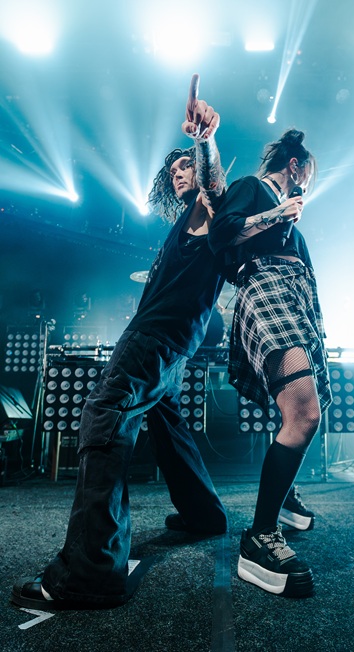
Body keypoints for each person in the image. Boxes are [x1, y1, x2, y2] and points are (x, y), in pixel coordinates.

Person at [11, 74, 228, 610]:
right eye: (174, 170)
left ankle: (89, 574)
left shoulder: (207, 211)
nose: (179, 173)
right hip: (173, 348)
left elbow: (213, 188)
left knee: (103, 416)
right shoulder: (184, 226)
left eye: (186, 167)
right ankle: (204, 515)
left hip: (154, 341)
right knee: (168, 424)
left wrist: (205, 141)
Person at [209, 128, 332, 598]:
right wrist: (278, 212)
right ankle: (259, 536)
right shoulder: (254, 187)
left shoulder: (288, 216)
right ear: (295, 166)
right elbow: (221, 233)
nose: (309, 183)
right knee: (304, 413)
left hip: (296, 299)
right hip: (266, 289)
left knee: (301, 412)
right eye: (309, 173)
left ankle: (282, 496)